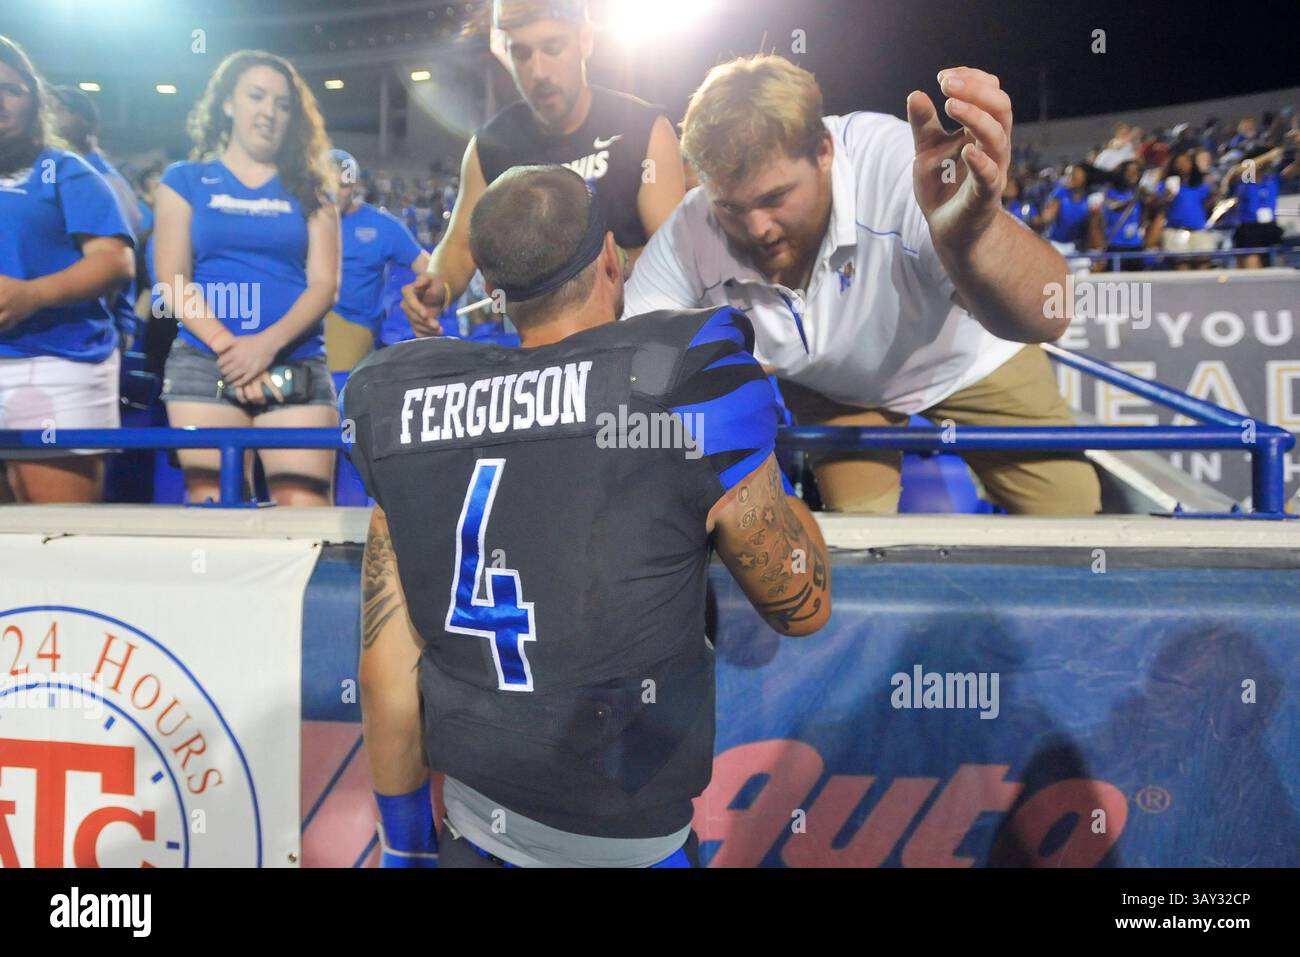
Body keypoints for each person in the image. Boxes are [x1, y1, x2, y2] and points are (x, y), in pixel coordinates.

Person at [342, 165, 831, 868]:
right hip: (630, 840)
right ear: (612, 257)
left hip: (474, 827)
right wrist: (768, 472)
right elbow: (798, 602)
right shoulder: (688, 377)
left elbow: (386, 665)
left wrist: (403, 846)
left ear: (489, 287)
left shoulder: (397, 398)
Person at [624, 55, 1101, 516]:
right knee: (860, 539)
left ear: (825, 151)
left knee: (1071, 515)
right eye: (730, 206)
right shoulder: (692, 225)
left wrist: (975, 239)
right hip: (836, 387)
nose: (757, 228)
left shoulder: (897, 165)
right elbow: (629, 365)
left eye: (775, 197)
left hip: (965, 359)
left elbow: (1051, 313)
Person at [400, 0, 686, 337]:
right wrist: (439, 285)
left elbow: (671, 254)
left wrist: (585, 268)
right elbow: (461, 245)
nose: (538, 71)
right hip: (539, 355)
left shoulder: (642, 128)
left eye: (553, 48)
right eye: (521, 54)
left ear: (585, 40)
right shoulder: (489, 147)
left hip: (635, 338)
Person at [153, 50, 341, 506]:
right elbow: (172, 278)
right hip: (205, 360)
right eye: (256, 96)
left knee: (305, 511)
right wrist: (228, 347)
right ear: (228, 104)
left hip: (293, 359)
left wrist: (265, 345)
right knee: (214, 506)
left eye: (282, 103)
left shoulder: (313, 188)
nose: (269, 112)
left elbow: (324, 285)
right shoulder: (185, 180)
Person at [0, 36, 135, 504]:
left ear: (34, 101)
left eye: (12, 89)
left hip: (56, 359)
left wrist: (31, 295)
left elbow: (115, 260)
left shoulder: (63, 170)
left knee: (55, 539)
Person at [325, 150, 429, 372]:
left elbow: (428, 268)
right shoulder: (303, 219)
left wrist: (421, 298)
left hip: (350, 325)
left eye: (342, 185)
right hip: (308, 320)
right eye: (328, 184)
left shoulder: (382, 226)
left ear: (355, 185)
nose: (335, 193)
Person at [1088, 159, 1147, 271]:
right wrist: (1132, 200)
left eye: (1137, 171)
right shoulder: (1110, 192)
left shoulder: (1139, 193)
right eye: (1130, 171)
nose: (1134, 175)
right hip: (1115, 245)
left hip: (1135, 245)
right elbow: (1113, 206)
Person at [1040, 163, 1090, 255]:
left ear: (1084, 177)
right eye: (1068, 175)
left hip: (1078, 246)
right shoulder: (1060, 193)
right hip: (1056, 244)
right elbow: (1047, 217)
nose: (1070, 178)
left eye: (1073, 175)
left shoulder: (1089, 197)